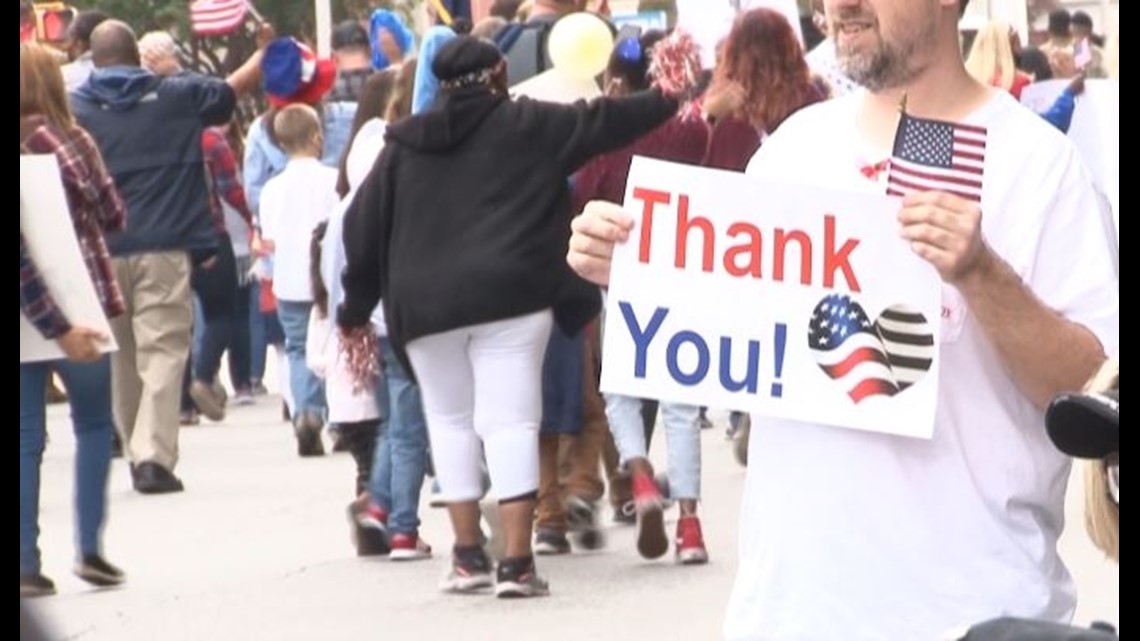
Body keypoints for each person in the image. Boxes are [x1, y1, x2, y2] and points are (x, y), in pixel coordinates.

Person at [565, 0, 1119, 638]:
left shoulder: (1040, 166)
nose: (840, 5)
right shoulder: (796, 148)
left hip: (973, 614)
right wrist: (635, 264)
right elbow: (732, 331)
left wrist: (981, 274)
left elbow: (1092, 394)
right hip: (788, 615)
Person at [339, 35, 682, 598]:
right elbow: (602, 120)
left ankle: (468, 555)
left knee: (449, 423)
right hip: (513, 296)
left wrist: (354, 309)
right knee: (512, 421)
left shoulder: (401, 146)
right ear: (499, 73)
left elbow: (361, 228)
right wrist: (670, 95)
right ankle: (517, 565)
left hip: (425, 305)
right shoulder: (526, 124)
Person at [70, 20, 267, 494]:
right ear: (137, 56)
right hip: (164, 246)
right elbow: (226, 92)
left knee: (119, 352)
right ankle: (153, 455)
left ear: (93, 60)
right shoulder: (176, 96)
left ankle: (131, 437)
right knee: (163, 352)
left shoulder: (76, 109)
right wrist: (257, 54)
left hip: (102, 250)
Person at [20, 41, 128, 597]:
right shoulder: (72, 139)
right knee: (90, 425)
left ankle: (24, 561)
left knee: (24, 437)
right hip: (79, 297)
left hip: (24, 312)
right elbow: (113, 213)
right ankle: (89, 547)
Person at [258, 104, 339, 457]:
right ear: (317, 136)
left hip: (289, 279)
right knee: (333, 348)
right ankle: (338, 417)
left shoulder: (271, 189)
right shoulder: (332, 180)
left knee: (297, 348)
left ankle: (305, 411)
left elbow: (270, 236)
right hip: (326, 279)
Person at [965, 21, 1032, 99]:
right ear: (1010, 47)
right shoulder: (1020, 83)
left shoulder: (964, 80)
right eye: (1018, 43)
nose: (1020, 49)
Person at [61, 10, 109, 92]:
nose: (66, 47)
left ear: (79, 44)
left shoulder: (62, 77)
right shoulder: (131, 74)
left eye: (69, 38)